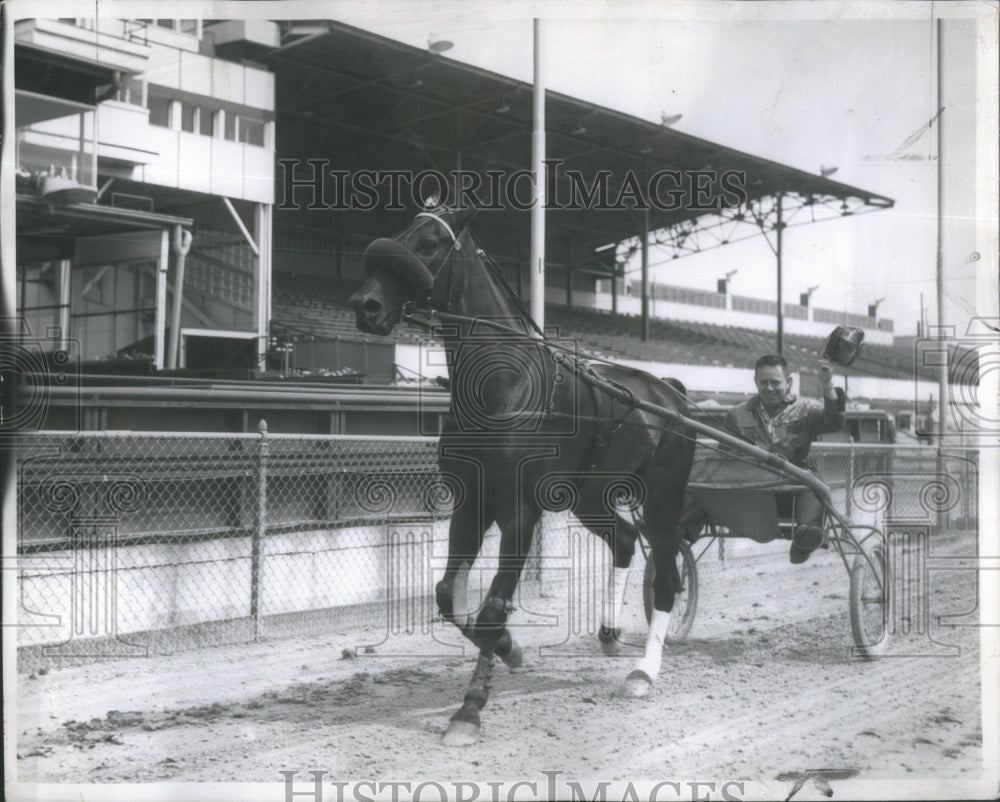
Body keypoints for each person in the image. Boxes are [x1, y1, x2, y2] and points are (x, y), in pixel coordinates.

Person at [722, 354, 846, 563]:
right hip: (752, 493)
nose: (769, 388)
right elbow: (726, 456)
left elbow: (833, 422)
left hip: (793, 491)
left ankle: (805, 539)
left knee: (815, 484)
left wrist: (827, 383)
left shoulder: (804, 411)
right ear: (755, 382)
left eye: (775, 382)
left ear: (788, 383)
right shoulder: (736, 415)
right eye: (764, 382)